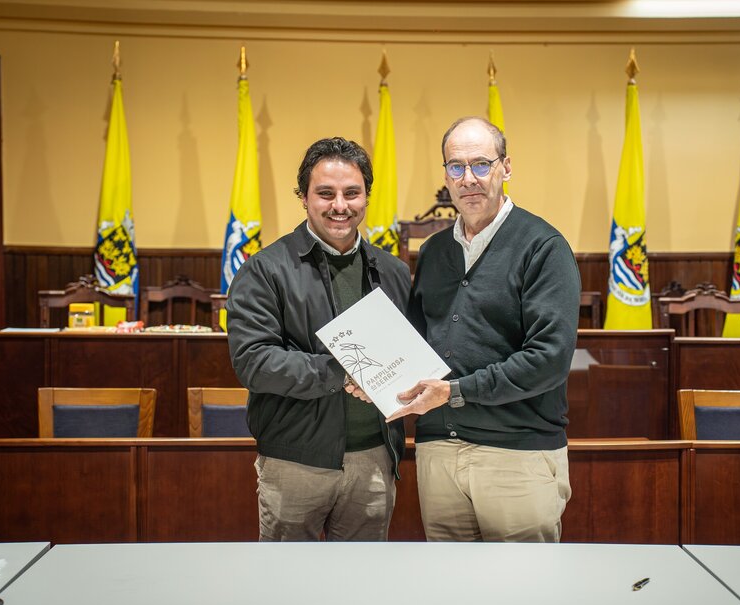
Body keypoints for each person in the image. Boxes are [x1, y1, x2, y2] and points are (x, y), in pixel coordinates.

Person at [386, 116, 580, 542]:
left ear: (505, 167)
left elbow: (549, 359)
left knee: (522, 583)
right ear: (446, 176)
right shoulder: (434, 251)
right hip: (439, 453)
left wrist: (455, 392)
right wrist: (374, 377)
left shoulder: (543, 247)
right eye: (456, 167)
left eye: (481, 164)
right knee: (449, 583)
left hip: (516, 455)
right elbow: (416, 346)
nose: (468, 178)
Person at [225, 137, 411, 542]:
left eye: (351, 193)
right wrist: (343, 372)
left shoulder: (394, 272)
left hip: (374, 459)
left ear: (366, 196)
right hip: (295, 463)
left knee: (363, 579)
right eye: (325, 193)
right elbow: (254, 362)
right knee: (288, 580)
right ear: (304, 197)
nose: (339, 205)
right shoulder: (265, 270)